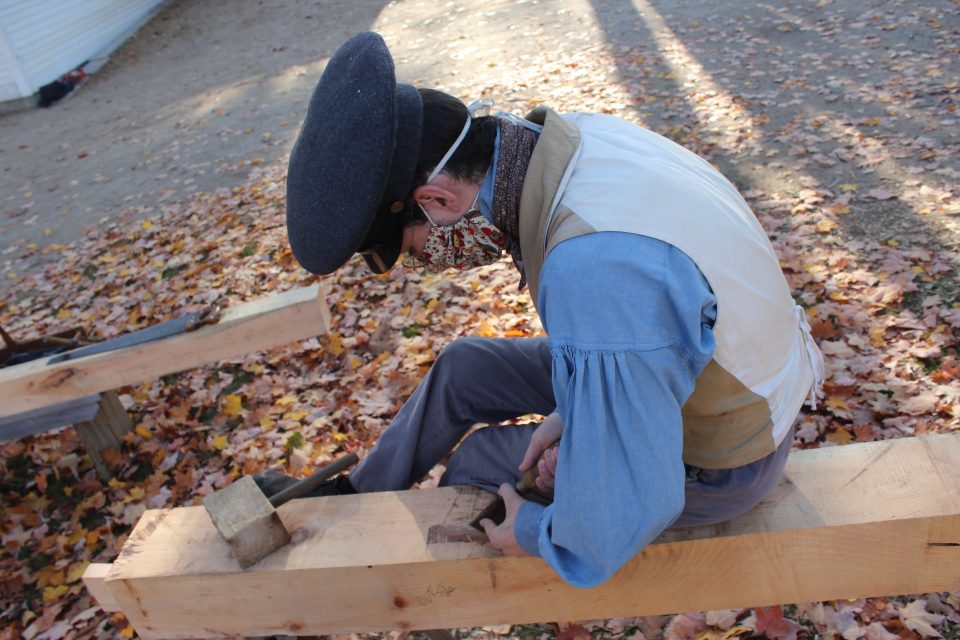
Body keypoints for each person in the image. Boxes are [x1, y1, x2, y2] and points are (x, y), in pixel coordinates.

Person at [262, 32, 824, 588]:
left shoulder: (593, 268)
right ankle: (355, 497)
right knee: (465, 366)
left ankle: (446, 603)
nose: (430, 263)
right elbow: (637, 339)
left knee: (480, 462)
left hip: (727, 454)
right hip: (708, 368)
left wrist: (534, 528)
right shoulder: (566, 142)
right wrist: (577, 414)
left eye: (414, 250)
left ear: (436, 202)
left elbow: (634, 501)